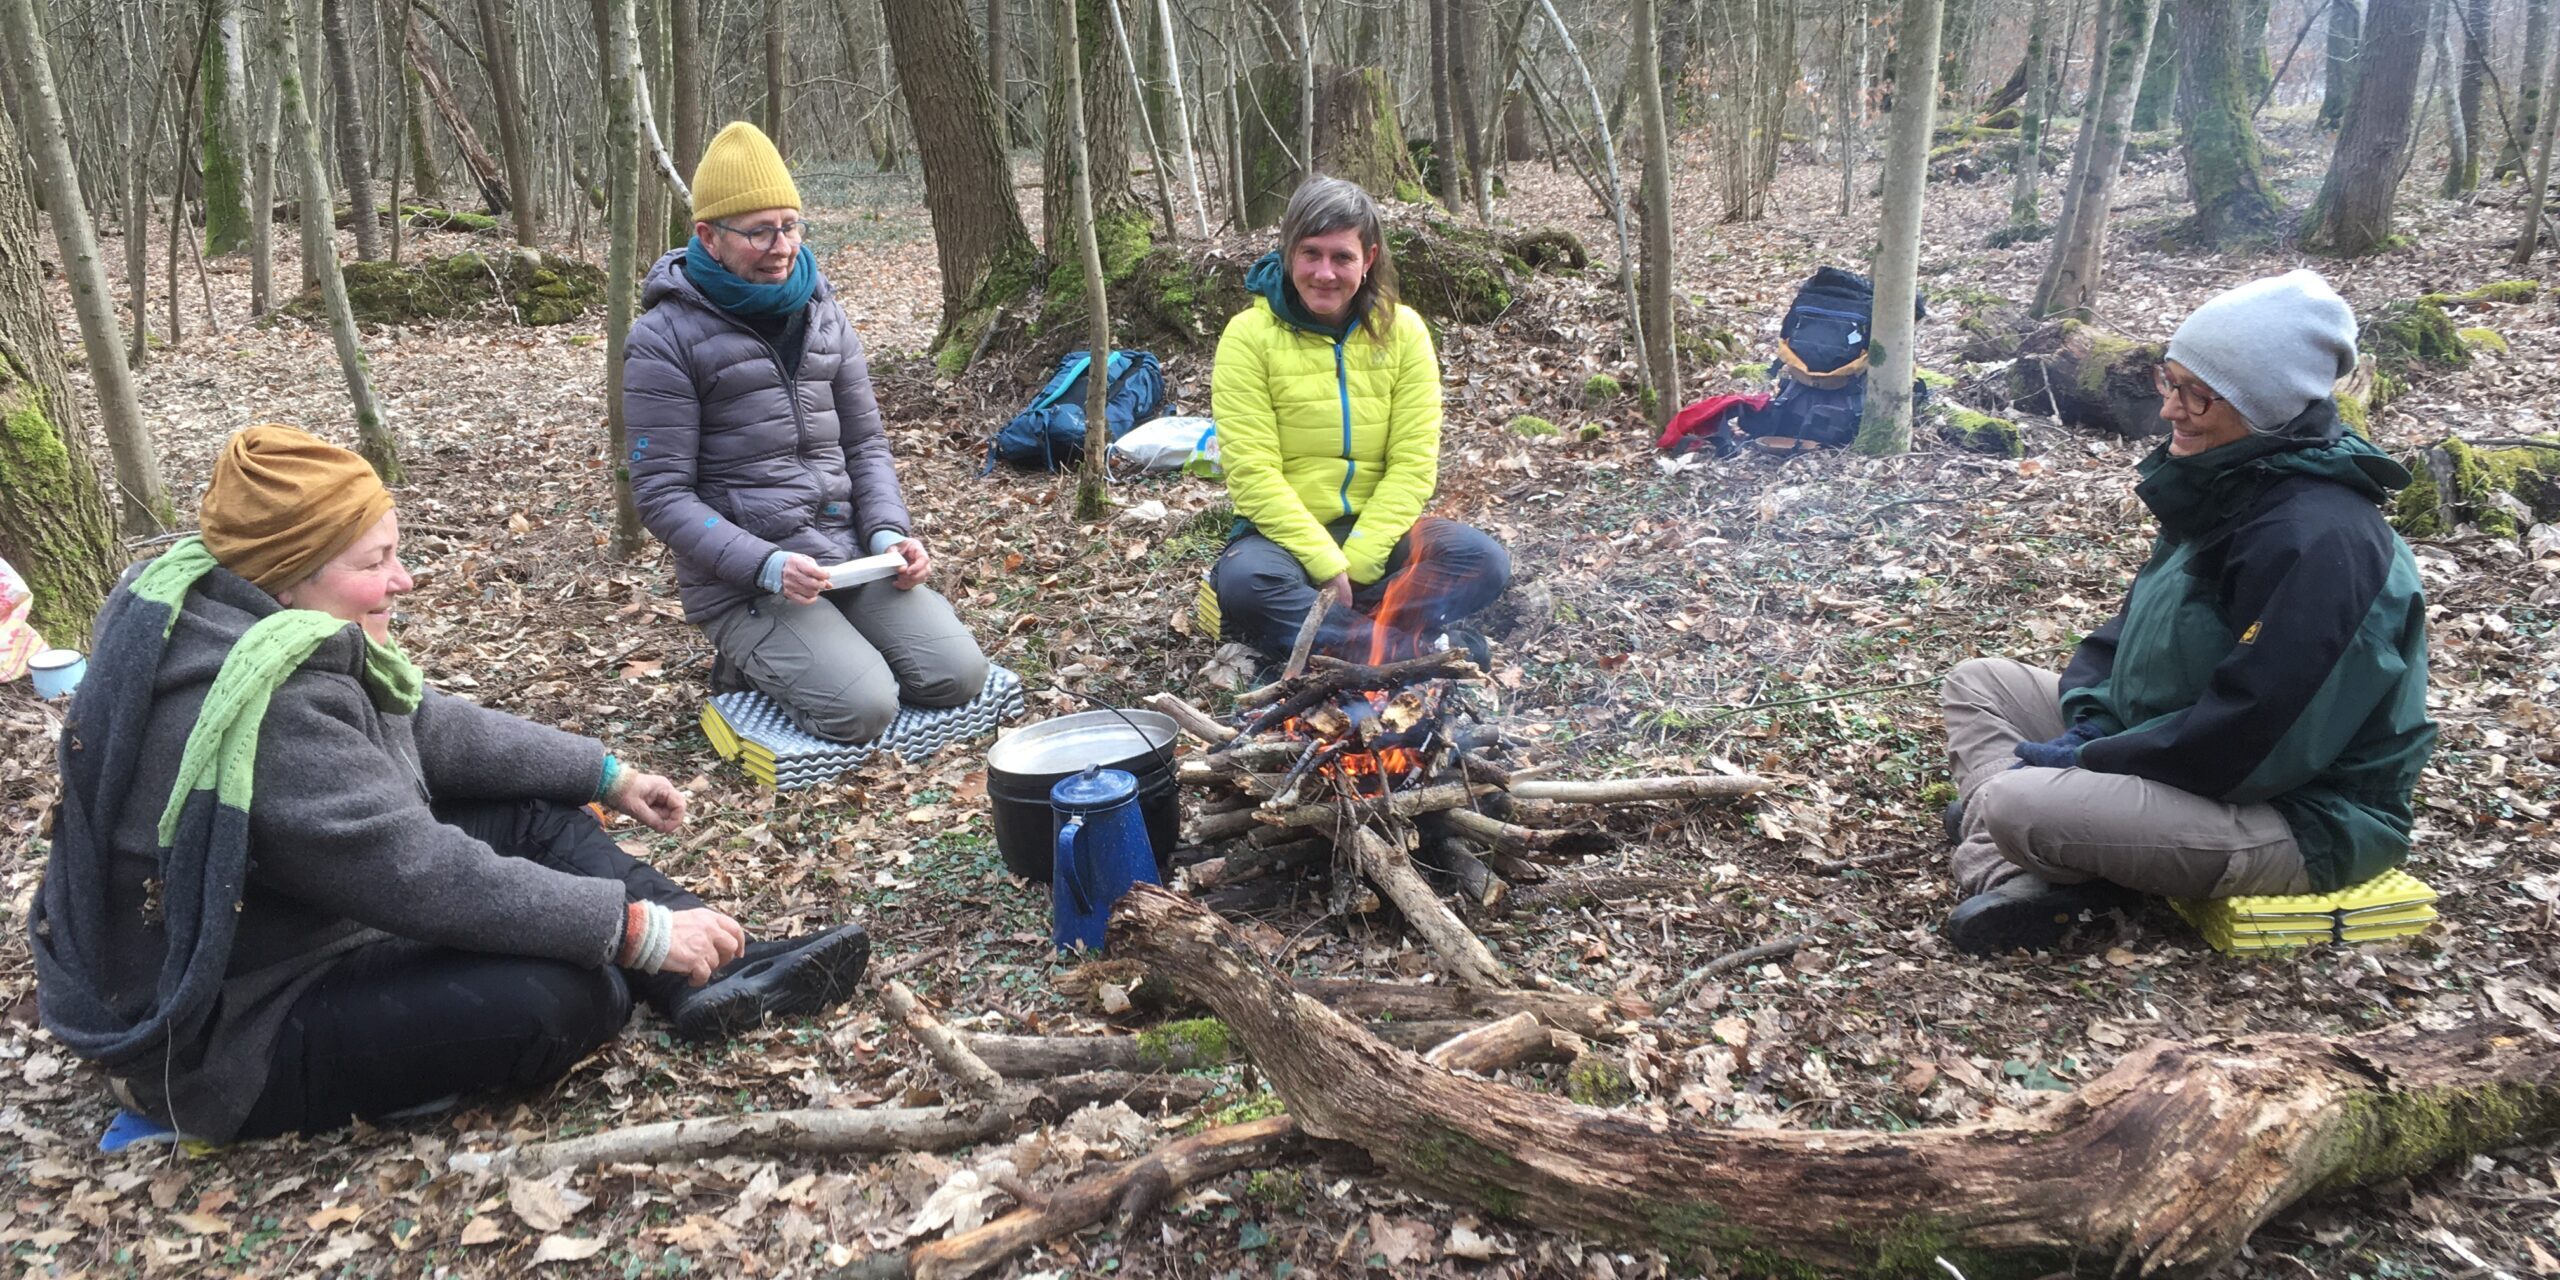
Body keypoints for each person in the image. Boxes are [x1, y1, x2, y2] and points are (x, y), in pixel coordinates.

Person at [32, 427, 871, 1143]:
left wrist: (604, 774)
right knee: (569, 997)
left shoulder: (256, 615)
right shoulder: (262, 700)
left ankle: (706, 973)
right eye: (378, 561)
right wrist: (623, 932)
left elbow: (426, 725)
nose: (404, 580)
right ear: (291, 572)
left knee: (536, 815)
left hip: (298, 916)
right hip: (231, 1025)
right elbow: (413, 871)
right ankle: (662, 956)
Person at [1938, 270, 2437, 955]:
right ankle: (2035, 868)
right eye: (2168, 382)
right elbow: (2126, 640)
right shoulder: (2228, 486)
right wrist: (2092, 724)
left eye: (2196, 394)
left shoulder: (2322, 542)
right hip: (2177, 746)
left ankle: (2030, 849)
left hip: (2295, 812)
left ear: (2265, 405)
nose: (2171, 409)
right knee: (1979, 684)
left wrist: (2093, 760)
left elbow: (2257, 744)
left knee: (2012, 803)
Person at [627, 121, 988, 742]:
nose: (781, 247)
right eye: (759, 231)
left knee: (957, 676)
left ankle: (833, 641)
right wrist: (766, 564)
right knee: (863, 709)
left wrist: (888, 533)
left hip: (848, 557)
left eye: (790, 226)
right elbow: (661, 495)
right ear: (708, 237)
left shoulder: (824, 314)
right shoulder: (663, 339)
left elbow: (865, 444)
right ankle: (746, 662)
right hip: (746, 580)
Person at [1208, 175, 1511, 668]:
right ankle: (1408, 650)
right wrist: (1326, 564)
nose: (1324, 273)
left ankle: (1330, 636)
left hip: (1380, 532)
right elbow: (1252, 475)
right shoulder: (1248, 336)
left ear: (1368, 259)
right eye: (1310, 254)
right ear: (1288, 252)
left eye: (1342, 257)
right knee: (1246, 583)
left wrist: (1360, 563)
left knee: (1483, 561)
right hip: (1282, 540)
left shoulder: (1404, 331)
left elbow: (1413, 465)